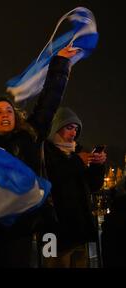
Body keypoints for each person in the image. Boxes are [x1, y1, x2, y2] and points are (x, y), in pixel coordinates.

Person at [0, 47, 79, 267]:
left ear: (16, 117)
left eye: (9, 110)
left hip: (38, 224)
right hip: (0, 230)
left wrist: (60, 64)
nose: (5, 114)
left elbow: (49, 100)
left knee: (50, 261)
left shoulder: (31, 135)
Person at [42, 107, 106, 267]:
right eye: (69, 127)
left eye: (76, 129)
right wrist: (77, 162)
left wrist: (98, 165)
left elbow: (93, 185)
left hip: (78, 231)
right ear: (56, 127)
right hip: (53, 232)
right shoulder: (44, 152)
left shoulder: (76, 152)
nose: (74, 133)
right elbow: (51, 179)